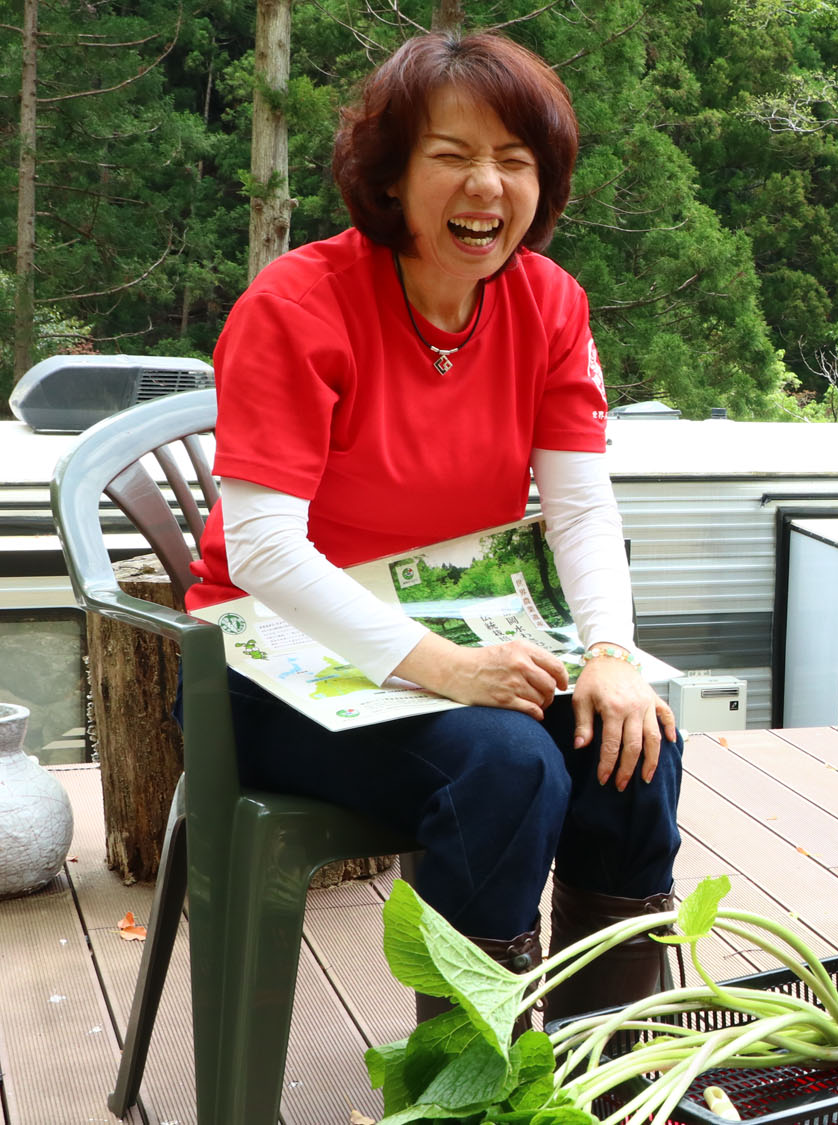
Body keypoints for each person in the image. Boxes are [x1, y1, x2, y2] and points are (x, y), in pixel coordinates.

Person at [185, 32, 682, 1025]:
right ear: (390, 176)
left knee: (633, 741)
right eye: (451, 156)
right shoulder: (297, 306)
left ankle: (598, 1063)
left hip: (455, 628)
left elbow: (579, 505)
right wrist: (445, 670)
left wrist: (610, 654)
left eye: (514, 160)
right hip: (274, 656)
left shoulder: (549, 304)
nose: (485, 187)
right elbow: (266, 551)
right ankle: (467, 1079)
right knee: (507, 763)